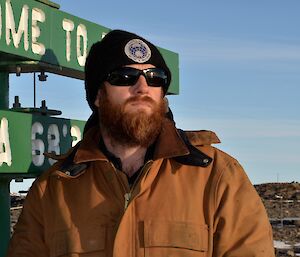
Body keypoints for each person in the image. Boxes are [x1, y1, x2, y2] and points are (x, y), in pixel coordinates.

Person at [6, 29, 275, 257]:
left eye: (155, 78)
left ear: (163, 96)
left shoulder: (218, 178)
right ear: (98, 96)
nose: (143, 88)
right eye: (124, 77)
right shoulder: (52, 191)